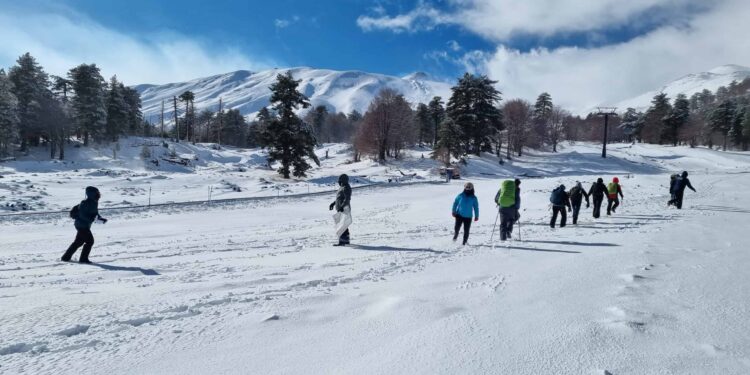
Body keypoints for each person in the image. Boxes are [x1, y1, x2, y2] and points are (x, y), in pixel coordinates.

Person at [62, 186, 107, 263]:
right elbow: (82, 215)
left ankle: (65, 257)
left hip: (85, 225)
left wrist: (100, 219)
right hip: (81, 225)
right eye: (97, 193)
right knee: (90, 241)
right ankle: (83, 259)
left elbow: (95, 213)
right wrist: (93, 219)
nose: (99, 194)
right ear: (91, 194)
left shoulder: (94, 202)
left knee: (78, 242)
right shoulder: (85, 203)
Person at [329, 174, 352, 246]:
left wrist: (342, 206)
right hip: (341, 208)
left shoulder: (346, 187)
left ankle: (343, 241)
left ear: (343, 181)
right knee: (342, 225)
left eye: (340, 181)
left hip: (344, 209)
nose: (338, 182)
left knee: (342, 225)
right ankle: (345, 240)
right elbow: (339, 198)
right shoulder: (342, 187)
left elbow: (347, 199)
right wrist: (333, 203)